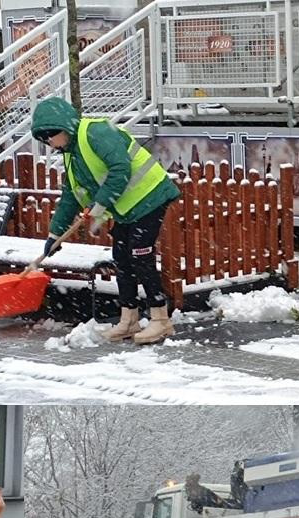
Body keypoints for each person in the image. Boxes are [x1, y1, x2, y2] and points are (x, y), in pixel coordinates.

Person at [30, 97, 182, 344]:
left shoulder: (96, 132)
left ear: (63, 128)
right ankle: (129, 319)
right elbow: (70, 196)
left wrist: (99, 205)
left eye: (48, 137)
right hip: (126, 208)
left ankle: (161, 320)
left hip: (151, 196)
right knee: (121, 258)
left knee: (140, 256)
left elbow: (120, 169)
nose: (48, 143)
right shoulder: (71, 155)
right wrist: (54, 235)